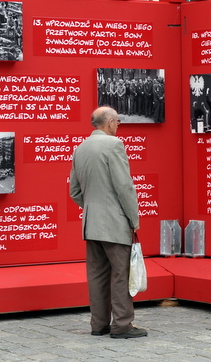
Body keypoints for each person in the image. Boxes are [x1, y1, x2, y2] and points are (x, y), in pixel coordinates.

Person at [69, 107, 147, 339]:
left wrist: (93, 209)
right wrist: (133, 218)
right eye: (118, 121)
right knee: (121, 274)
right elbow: (124, 187)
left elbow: (74, 192)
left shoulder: (80, 148)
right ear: (110, 122)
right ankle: (122, 325)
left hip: (90, 224)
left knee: (97, 276)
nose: (119, 125)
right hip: (114, 223)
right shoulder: (114, 145)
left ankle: (99, 324)